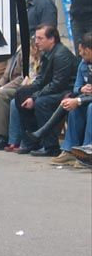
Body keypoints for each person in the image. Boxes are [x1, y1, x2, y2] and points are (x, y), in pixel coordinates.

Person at [15, 25, 79, 156]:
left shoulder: (61, 55)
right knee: (21, 93)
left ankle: (51, 146)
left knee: (42, 102)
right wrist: (30, 91)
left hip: (67, 91)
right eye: (36, 38)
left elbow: (57, 84)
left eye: (40, 38)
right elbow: (41, 79)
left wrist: (34, 97)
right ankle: (33, 138)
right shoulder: (48, 53)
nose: (37, 41)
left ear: (52, 39)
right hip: (55, 88)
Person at [49, 32, 92, 165]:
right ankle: (70, 151)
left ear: (89, 50)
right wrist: (81, 90)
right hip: (87, 98)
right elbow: (76, 87)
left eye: (82, 52)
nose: (80, 55)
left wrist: (78, 100)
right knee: (74, 109)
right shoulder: (83, 64)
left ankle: (87, 151)